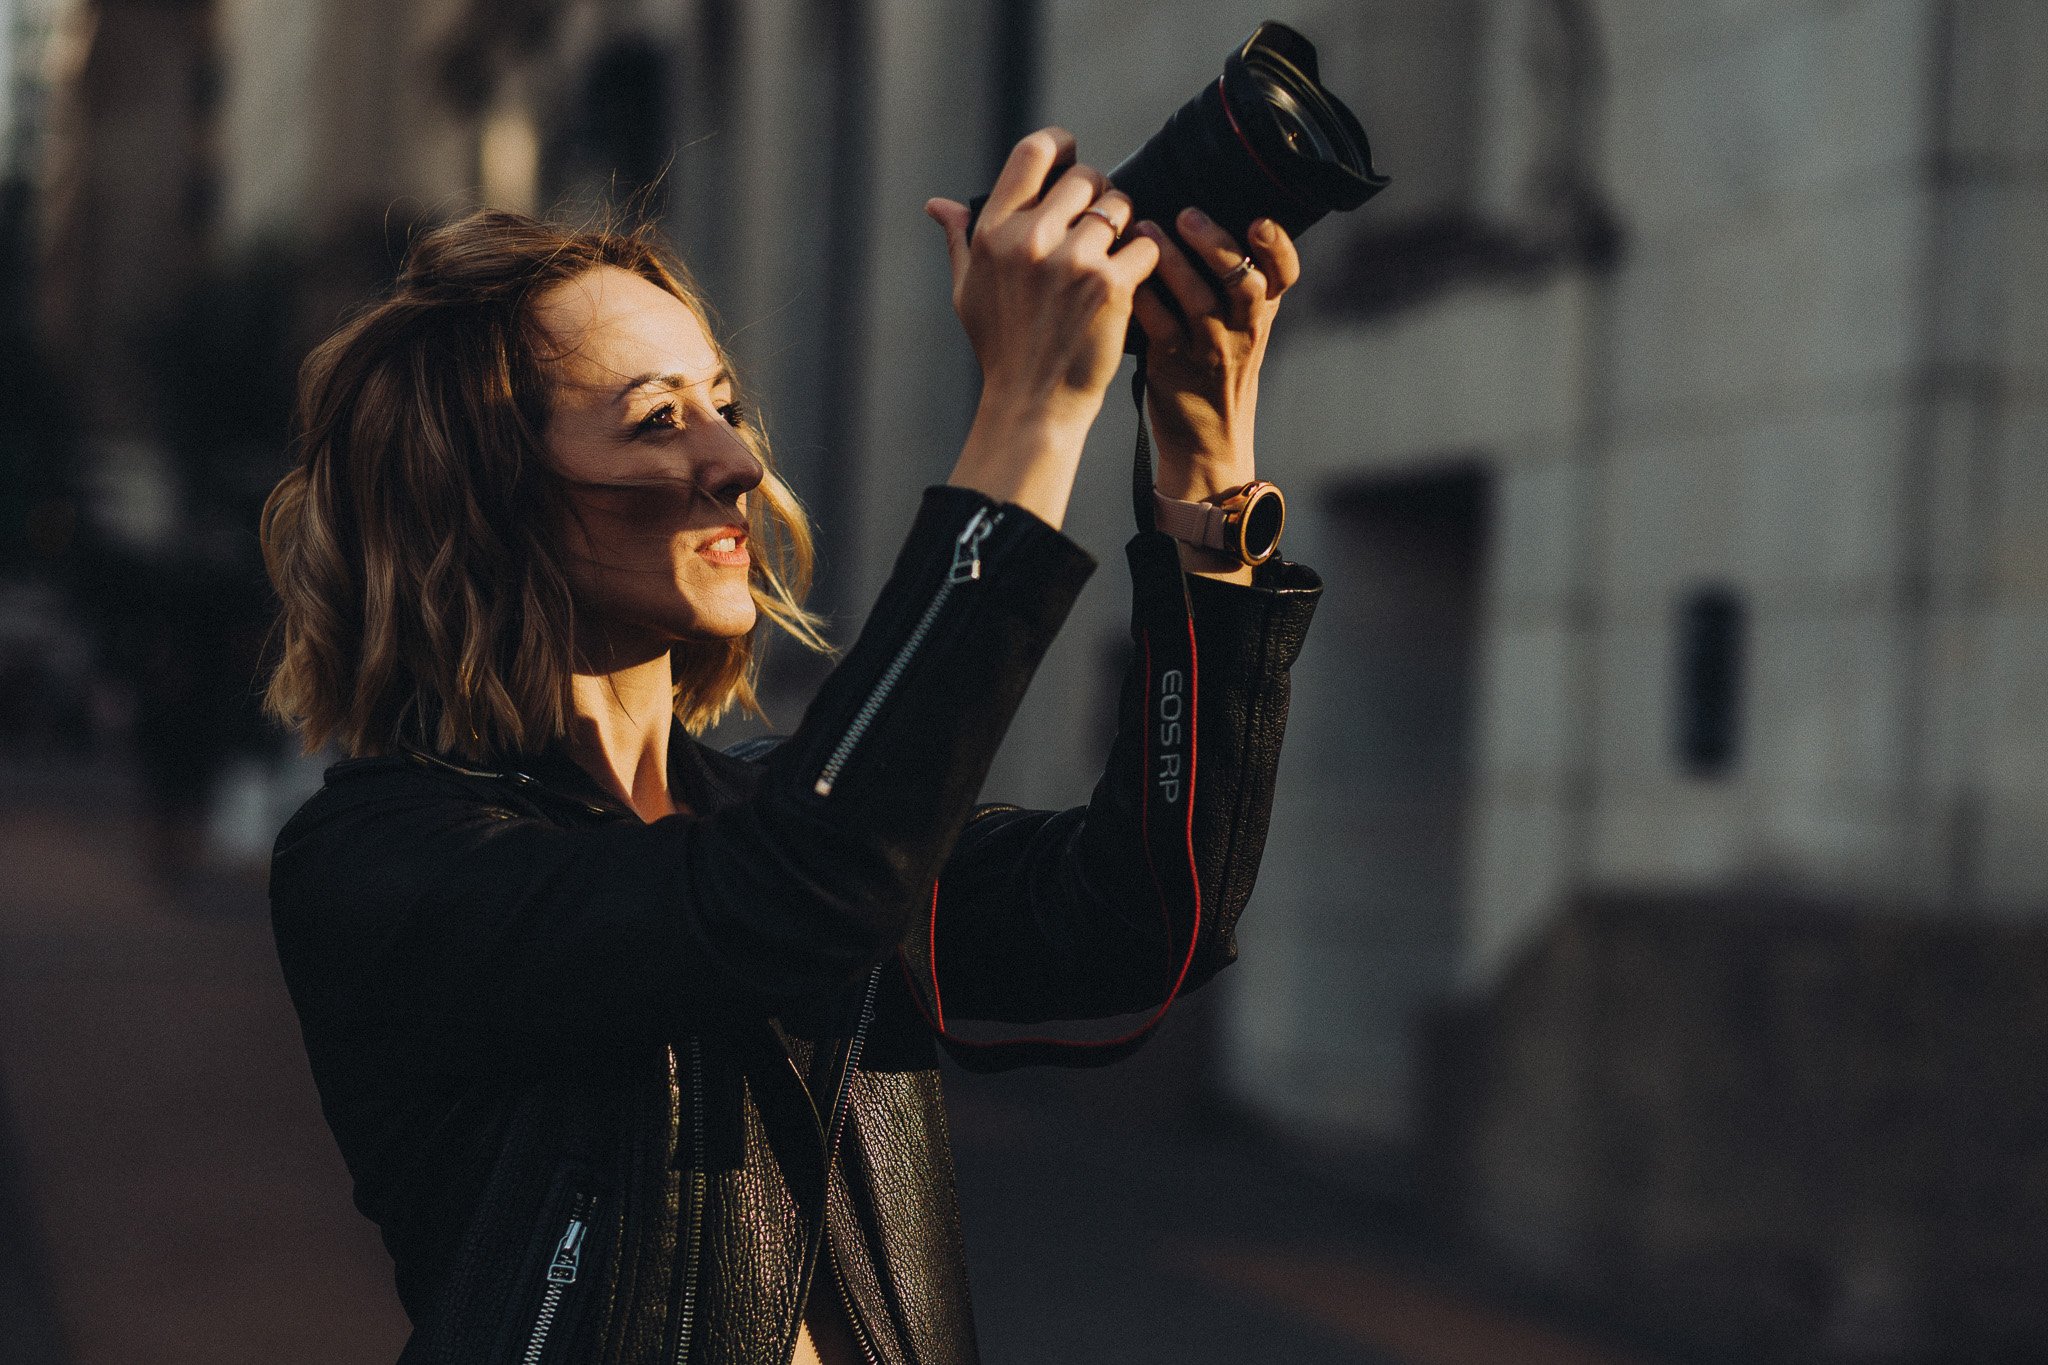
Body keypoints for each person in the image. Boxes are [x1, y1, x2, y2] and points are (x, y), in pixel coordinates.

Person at [262, 127, 1322, 1365]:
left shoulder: (780, 827)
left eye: (723, 404)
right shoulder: (382, 859)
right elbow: (786, 901)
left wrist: (1203, 478)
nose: (735, 460)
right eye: (657, 420)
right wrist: (1027, 411)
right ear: (479, 498)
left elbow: (1145, 916)